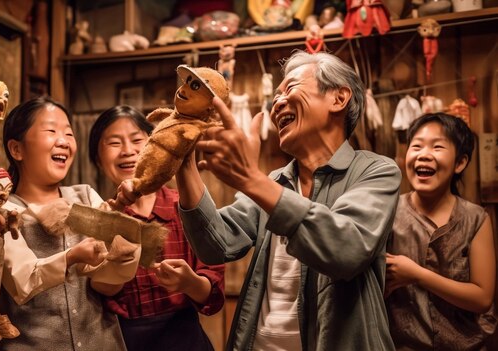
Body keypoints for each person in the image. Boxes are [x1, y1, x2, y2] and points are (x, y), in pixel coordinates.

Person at [116, 51, 402, 350]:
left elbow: (347, 250)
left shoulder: (375, 171)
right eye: (276, 96)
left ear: (338, 99)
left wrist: (251, 179)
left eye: (290, 88)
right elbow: (216, 245)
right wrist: (183, 157)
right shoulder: (277, 181)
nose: (277, 103)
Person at [0, 96, 126, 350]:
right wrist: (73, 256)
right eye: (51, 131)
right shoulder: (2, 210)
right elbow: (21, 281)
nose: (64, 141)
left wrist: (124, 252)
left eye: (68, 134)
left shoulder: (86, 196)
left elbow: (109, 284)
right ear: (17, 150)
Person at [88, 105, 225, 351]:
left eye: (136, 140)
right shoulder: (100, 220)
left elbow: (213, 295)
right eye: (114, 143)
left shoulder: (186, 208)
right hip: (124, 342)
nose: (127, 151)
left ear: (154, 146)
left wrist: (190, 283)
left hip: (187, 340)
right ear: (98, 160)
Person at [385, 113, 496, 350]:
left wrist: (417, 274)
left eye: (437, 147)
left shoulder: (475, 218)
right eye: (416, 146)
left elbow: (483, 298)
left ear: (460, 163)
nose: (424, 154)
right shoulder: (387, 213)